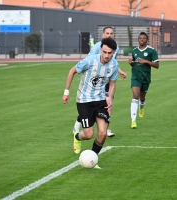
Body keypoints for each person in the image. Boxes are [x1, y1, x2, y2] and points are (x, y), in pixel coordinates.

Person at [62, 38, 119, 169]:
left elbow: (113, 83)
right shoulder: (89, 61)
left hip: (100, 100)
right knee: (88, 134)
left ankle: (93, 158)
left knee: (103, 133)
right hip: (84, 100)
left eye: (109, 53)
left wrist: (109, 97)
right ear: (100, 50)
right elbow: (72, 71)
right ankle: (77, 136)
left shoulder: (114, 65)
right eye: (104, 52)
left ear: (114, 52)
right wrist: (66, 92)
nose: (106, 55)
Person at [72, 26, 127, 138]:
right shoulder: (98, 46)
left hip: (106, 79)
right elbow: (89, 58)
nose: (109, 35)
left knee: (108, 102)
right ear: (103, 34)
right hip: (96, 80)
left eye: (111, 33)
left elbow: (112, 62)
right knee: (91, 104)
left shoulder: (114, 47)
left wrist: (119, 71)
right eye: (107, 33)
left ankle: (104, 128)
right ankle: (78, 126)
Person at [128, 32, 159, 128]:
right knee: (135, 95)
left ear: (147, 40)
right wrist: (131, 63)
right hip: (135, 76)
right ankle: (133, 120)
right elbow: (134, 63)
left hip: (145, 77)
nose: (141, 40)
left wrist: (145, 61)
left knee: (142, 97)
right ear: (138, 40)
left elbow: (157, 65)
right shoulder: (134, 51)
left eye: (143, 38)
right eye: (140, 38)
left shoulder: (151, 51)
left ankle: (141, 107)